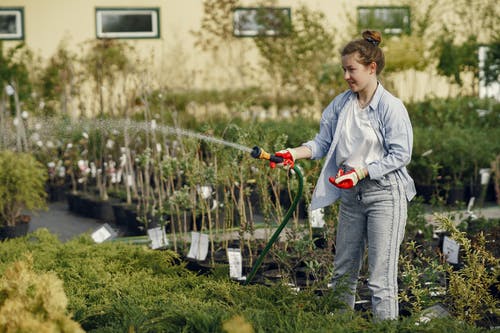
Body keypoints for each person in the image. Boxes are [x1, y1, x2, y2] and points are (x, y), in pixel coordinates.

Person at [271, 30, 416, 321]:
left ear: (371, 68)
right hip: (351, 196)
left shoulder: (391, 107)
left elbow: (401, 155)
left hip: (384, 195)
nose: (347, 76)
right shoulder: (341, 104)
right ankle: (339, 326)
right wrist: (292, 153)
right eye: (344, 70)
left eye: (352, 70)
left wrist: (362, 172)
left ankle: (385, 328)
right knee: (342, 274)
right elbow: (322, 143)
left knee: (380, 279)